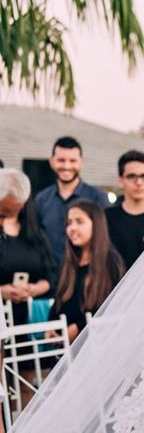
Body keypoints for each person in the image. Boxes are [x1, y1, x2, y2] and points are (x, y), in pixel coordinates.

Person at [0, 171, 54, 407]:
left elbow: (50, 275)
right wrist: (2, 291)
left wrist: (32, 289)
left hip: (28, 319)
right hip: (4, 315)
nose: (5, 220)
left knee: (29, 388)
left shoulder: (34, 232)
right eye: (3, 212)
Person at [47, 200, 124, 344]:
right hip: (65, 351)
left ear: (96, 225)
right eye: (69, 223)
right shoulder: (68, 263)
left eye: (79, 222)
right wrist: (51, 326)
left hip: (96, 347)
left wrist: (79, 328)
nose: (72, 228)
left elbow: (112, 310)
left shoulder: (111, 262)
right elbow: (59, 301)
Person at [35, 137, 110, 276]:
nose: (67, 166)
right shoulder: (41, 199)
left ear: (81, 162)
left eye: (72, 160)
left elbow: (106, 240)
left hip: (88, 279)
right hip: (49, 282)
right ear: (52, 162)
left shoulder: (98, 198)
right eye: (61, 160)